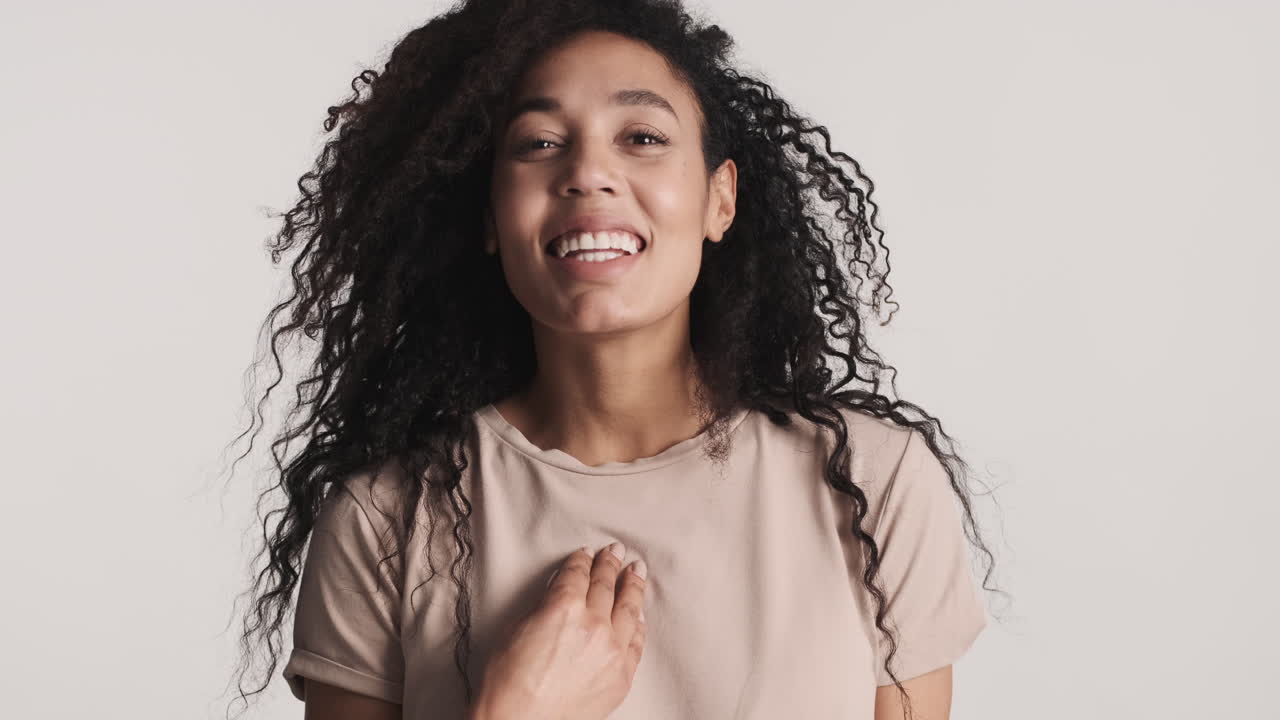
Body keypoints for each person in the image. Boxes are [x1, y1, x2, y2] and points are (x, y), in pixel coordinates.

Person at [226, 1, 1001, 718]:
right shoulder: (385, 518)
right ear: (492, 216)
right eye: (539, 144)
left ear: (719, 200)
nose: (588, 174)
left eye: (642, 138)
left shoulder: (872, 484)